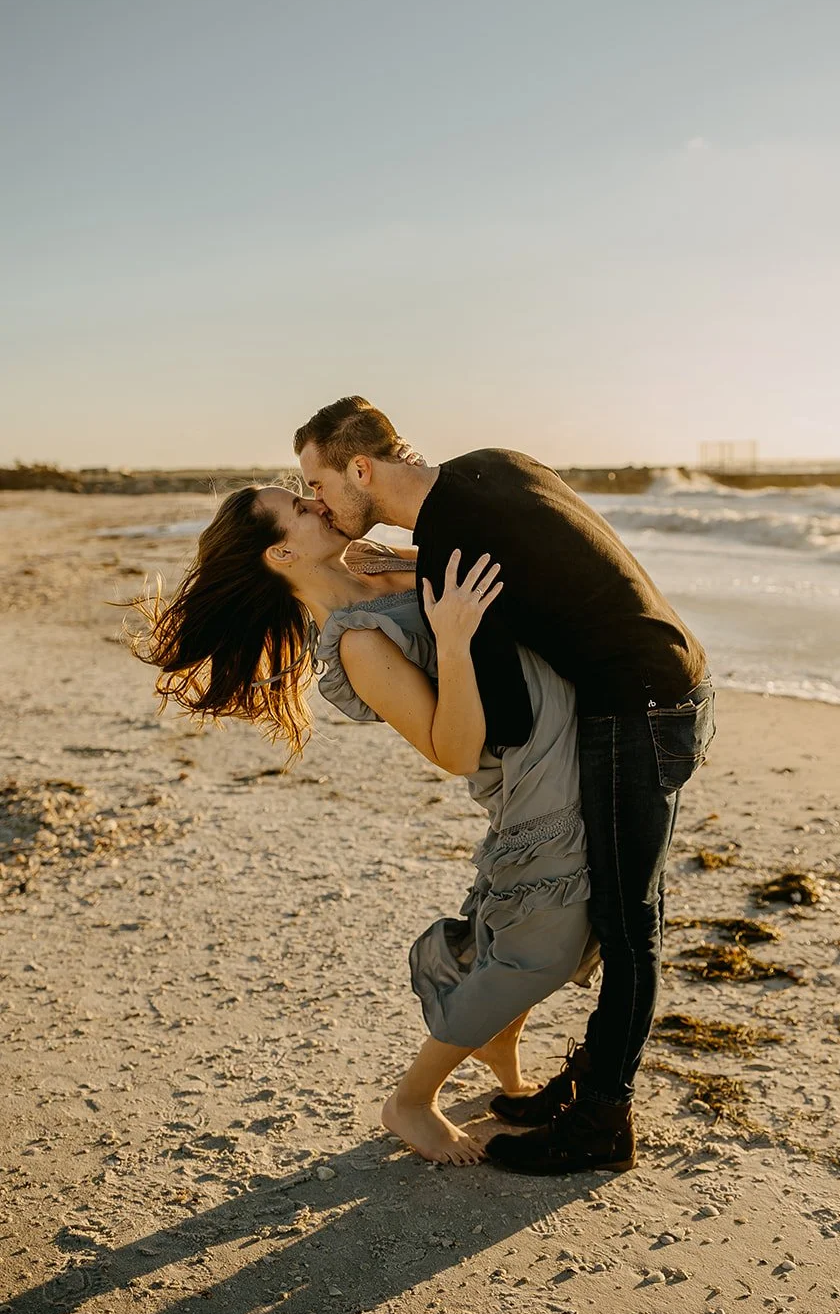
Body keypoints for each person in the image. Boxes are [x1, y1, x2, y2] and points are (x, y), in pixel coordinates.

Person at [296, 397, 715, 1176]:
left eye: (317, 483)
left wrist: (439, 625)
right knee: (629, 919)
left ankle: (601, 1122)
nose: (318, 503)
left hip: (634, 708)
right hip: (668, 678)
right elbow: (548, 566)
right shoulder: (494, 467)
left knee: (629, 928)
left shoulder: (454, 542)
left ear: (361, 469)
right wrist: (422, 575)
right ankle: (584, 1085)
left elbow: (509, 718)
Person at [131, 485, 601, 1167]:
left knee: (567, 928)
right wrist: (456, 641)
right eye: (298, 503)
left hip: (558, 744)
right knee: (543, 947)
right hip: (528, 779)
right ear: (283, 550)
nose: (318, 503)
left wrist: (416, 560)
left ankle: (497, 1037)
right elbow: (454, 750)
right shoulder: (357, 644)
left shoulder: (375, 569)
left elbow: (487, 573)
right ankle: (412, 1100)